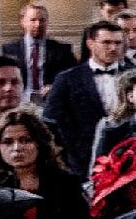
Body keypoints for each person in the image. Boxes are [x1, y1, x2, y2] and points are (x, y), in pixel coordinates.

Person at [41, 20, 130, 178]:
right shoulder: (67, 79)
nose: (113, 48)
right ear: (90, 44)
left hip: (127, 156)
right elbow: (50, 121)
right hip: (80, 161)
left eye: (118, 43)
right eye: (106, 42)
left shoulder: (134, 76)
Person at [2, 1, 76, 102]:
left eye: (42, 20)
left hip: (50, 101)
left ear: (47, 22)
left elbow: (73, 77)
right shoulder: (8, 50)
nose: (38, 24)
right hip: (19, 100)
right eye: (33, 20)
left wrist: (55, 87)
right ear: (23, 22)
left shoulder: (62, 50)